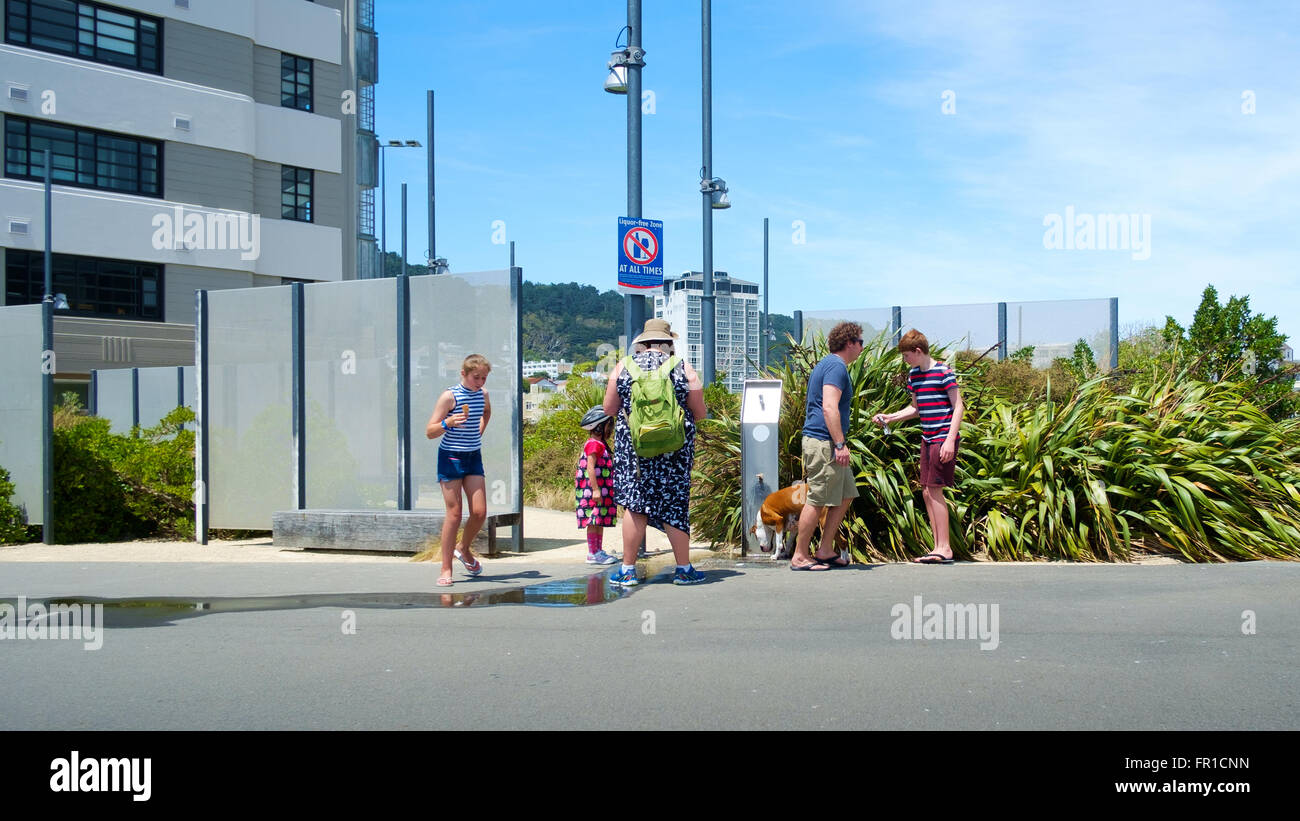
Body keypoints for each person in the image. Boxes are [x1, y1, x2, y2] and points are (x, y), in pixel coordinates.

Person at [602, 318, 708, 586]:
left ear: (642, 342)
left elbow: (609, 409)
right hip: (674, 451)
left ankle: (627, 570)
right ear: (668, 343)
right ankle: (683, 569)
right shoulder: (684, 367)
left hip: (635, 451)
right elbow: (700, 412)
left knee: (635, 507)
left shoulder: (622, 367)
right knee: (675, 505)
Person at [872, 329, 965, 564]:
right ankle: (937, 546)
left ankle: (945, 548)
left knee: (934, 490)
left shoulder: (943, 372)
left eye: (906, 356)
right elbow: (915, 408)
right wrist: (890, 417)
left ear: (918, 351)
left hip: (942, 437)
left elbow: (959, 407)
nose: (905, 361)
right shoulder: (914, 375)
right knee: (926, 490)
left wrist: (950, 440)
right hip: (927, 438)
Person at [791, 321, 865, 570]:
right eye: (860, 343)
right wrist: (840, 443)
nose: (862, 348)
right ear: (850, 343)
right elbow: (829, 407)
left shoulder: (829, 364)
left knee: (846, 495)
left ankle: (824, 549)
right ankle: (800, 555)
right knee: (818, 499)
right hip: (824, 442)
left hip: (826, 441)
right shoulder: (836, 366)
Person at [425, 354, 493, 586]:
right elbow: (430, 431)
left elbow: (486, 412)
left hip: (473, 455)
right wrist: (448, 423)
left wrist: (478, 432)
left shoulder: (483, 395)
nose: (480, 382)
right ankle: (446, 569)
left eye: (484, 377)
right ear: (463, 374)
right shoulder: (449, 396)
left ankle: (463, 549)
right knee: (454, 513)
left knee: (480, 511)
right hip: (450, 456)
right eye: (476, 377)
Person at [575, 406, 619, 565]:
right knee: (593, 520)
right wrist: (595, 489)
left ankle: (598, 551)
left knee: (598, 520)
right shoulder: (594, 444)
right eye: (609, 426)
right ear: (600, 427)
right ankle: (592, 553)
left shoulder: (599, 444)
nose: (611, 429)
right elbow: (590, 466)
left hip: (601, 489)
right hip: (595, 490)